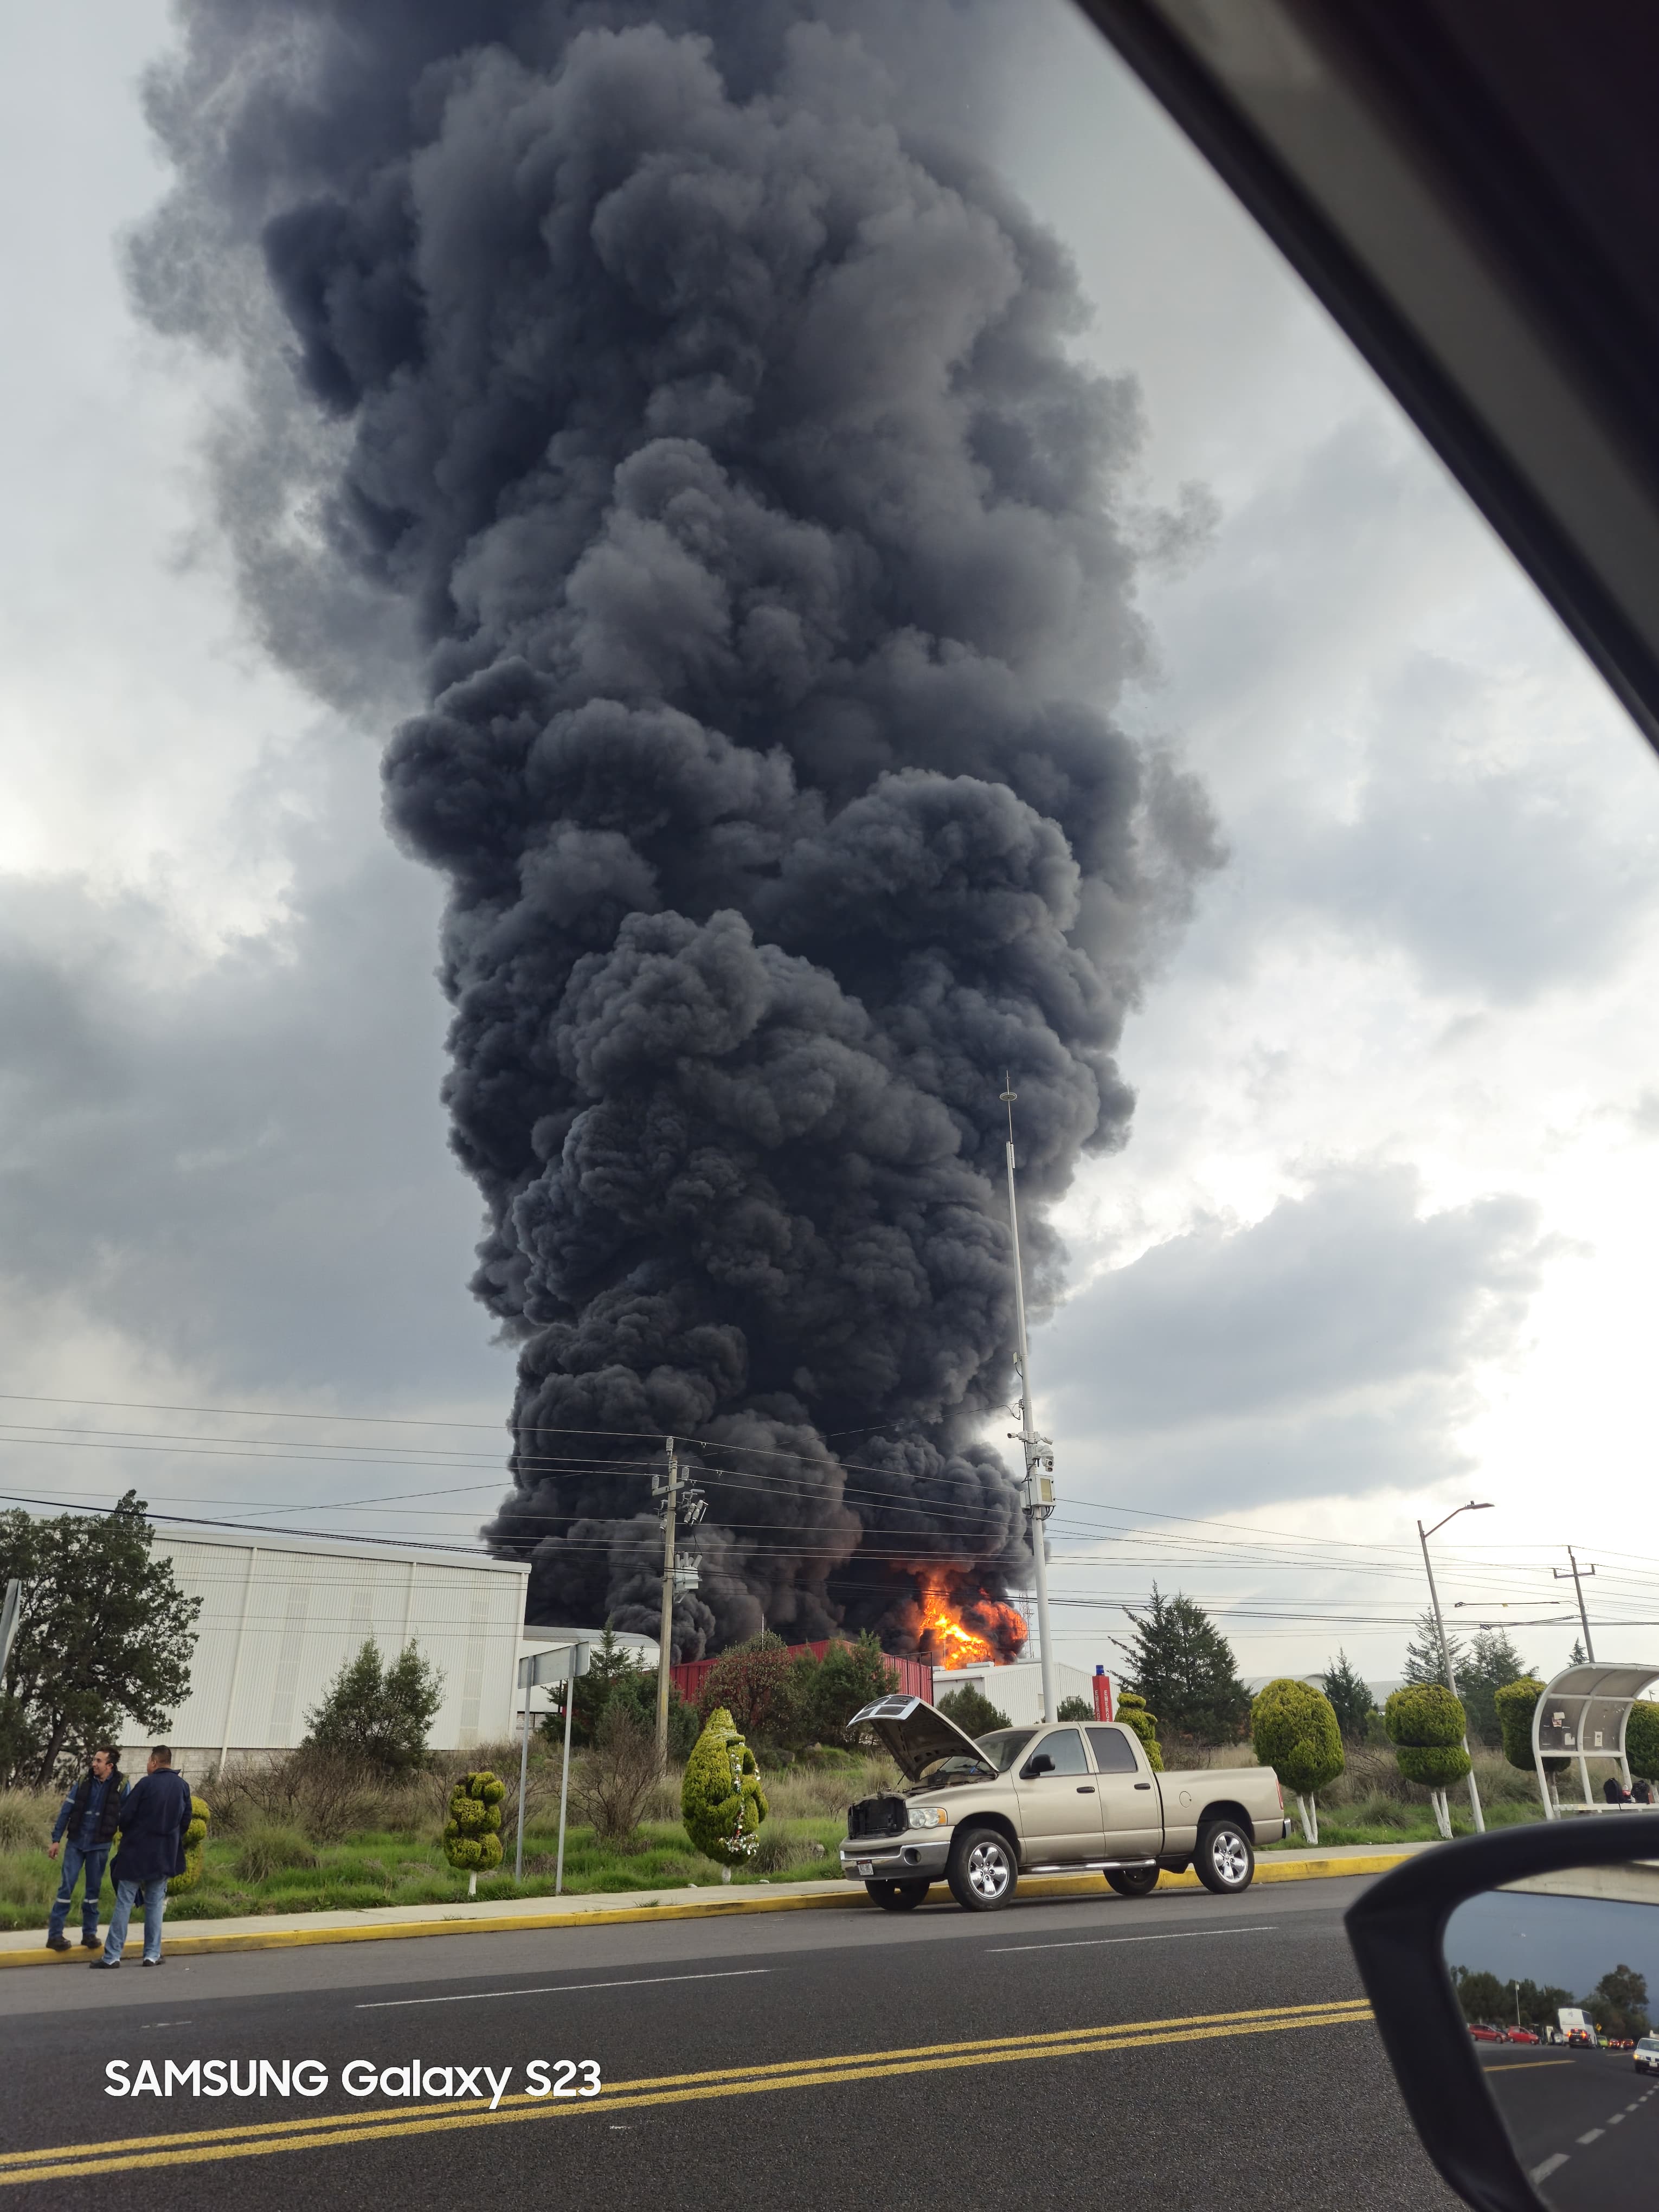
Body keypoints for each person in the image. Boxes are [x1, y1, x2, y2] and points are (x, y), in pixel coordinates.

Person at [89, 1746, 191, 1970]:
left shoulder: (146, 1784)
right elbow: (186, 1820)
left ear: (154, 1762)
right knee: (155, 1904)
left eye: (148, 1761)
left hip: (136, 1853)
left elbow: (125, 1816)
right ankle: (152, 1955)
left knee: (125, 1902)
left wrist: (130, 1832)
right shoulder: (182, 1786)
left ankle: (112, 1956)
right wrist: (172, 1839)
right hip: (165, 1855)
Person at [44, 1745, 125, 1953]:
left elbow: (127, 1816)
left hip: (100, 1846)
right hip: (76, 1843)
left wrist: (126, 1844)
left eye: (98, 1761)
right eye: (94, 1760)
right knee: (66, 1888)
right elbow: (67, 1811)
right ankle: (54, 1936)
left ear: (110, 1765)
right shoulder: (83, 1782)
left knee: (93, 1891)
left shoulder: (122, 1785)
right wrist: (56, 1840)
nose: (94, 1764)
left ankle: (89, 1934)